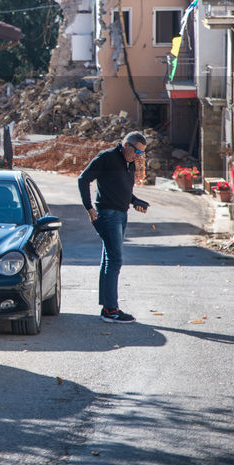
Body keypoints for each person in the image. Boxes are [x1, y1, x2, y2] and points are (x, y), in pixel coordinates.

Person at [78, 131, 150, 323]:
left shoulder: (130, 163)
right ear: (126, 145)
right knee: (115, 260)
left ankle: (107, 307)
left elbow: (123, 190)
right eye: (136, 151)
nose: (138, 156)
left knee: (108, 258)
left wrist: (135, 201)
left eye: (142, 153)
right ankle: (111, 309)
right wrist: (89, 208)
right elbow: (83, 179)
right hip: (108, 215)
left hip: (121, 213)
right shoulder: (107, 157)